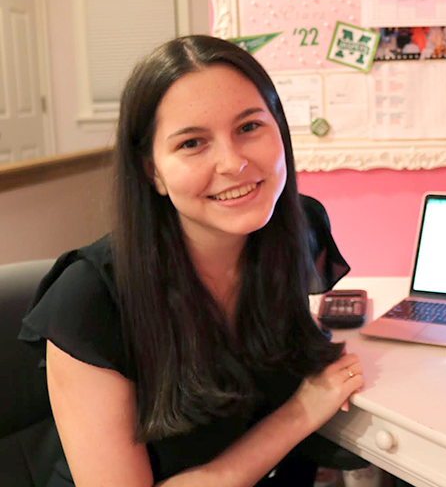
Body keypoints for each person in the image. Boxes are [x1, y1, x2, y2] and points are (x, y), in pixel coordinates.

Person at [18, 36, 364, 486]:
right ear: (153, 172)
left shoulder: (299, 229)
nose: (233, 162)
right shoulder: (88, 301)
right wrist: (300, 413)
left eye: (248, 128)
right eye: (192, 143)